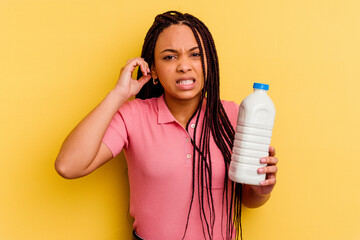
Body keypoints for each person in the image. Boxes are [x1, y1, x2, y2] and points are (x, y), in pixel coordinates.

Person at [55, 11, 278, 240]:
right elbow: (68, 166)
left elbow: (248, 199)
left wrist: (261, 191)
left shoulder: (232, 115)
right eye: (169, 57)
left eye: (195, 54)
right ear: (152, 69)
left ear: (209, 61)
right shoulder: (133, 116)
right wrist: (119, 94)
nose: (184, 66)